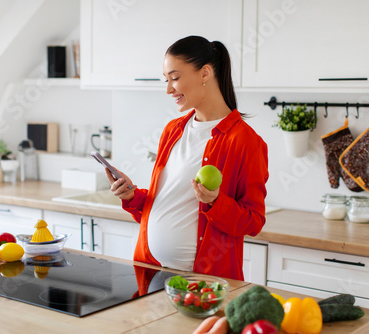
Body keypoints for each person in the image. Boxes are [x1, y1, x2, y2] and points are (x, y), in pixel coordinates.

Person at [106, 35, 268, 281]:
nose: (169, 89)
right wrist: (132, 196)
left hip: (202, 283)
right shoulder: (173, 130)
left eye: (175, 78)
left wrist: (215, 202)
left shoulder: (244, 141)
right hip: (151, 271)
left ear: (204, 73)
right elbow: (166, 204)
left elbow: (253, 222)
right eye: (166, 80)